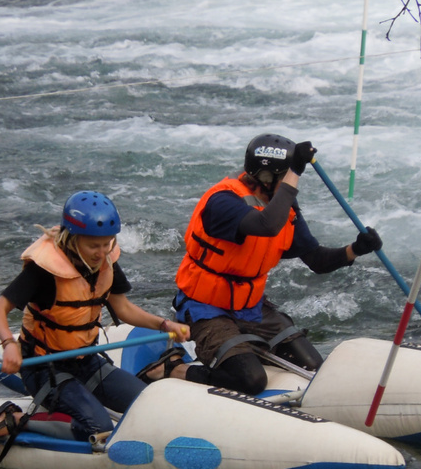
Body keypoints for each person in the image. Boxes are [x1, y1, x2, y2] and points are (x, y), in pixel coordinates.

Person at [140, 133, 382, 395]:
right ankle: (173, 369)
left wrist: (356, 249)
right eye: (287, 176)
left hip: (250, 307)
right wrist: (296, 169)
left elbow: (317, 260)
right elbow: (265, 225)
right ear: (268, 177)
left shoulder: (284, 207)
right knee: (250, 381)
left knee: (312, 364)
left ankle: (247, 349)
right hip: (206, 307)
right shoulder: (223, 201)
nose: (292, 183)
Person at [0, 190, 190, 451]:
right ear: (72, 239)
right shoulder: (43, 270)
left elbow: (123, 308)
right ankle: (16, 419)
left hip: (86, 360)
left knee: (148, 404)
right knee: (98, 428)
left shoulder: (105, 259)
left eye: (107, 243)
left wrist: (165, 325)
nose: (101, 253)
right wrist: (9, 344)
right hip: (43, 367)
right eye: (93, 246)